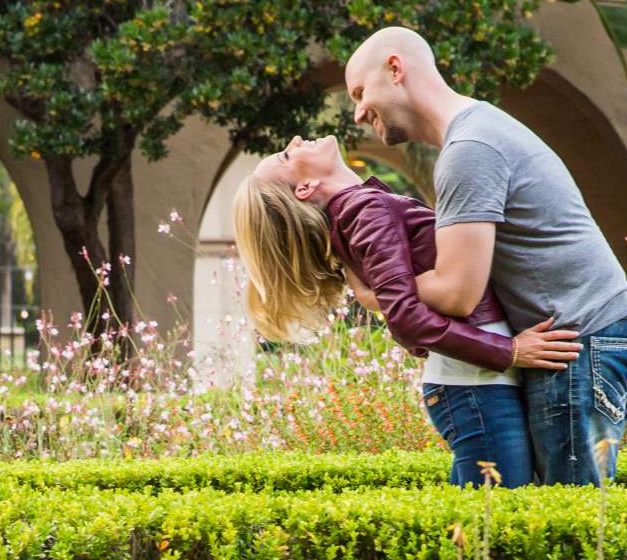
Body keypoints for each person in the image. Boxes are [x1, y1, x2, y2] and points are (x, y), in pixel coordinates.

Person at [343, 26, 627, 486]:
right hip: (575, 338)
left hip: (578, 339)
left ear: (396, 69)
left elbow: (458, 293)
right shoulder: (475, 133)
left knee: (571, 528)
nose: (359, 113)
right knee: (556, 517)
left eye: (361, 92)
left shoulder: (470, 150)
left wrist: (375, 292)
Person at [231, 134, 581, 487]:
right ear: (305, 187)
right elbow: (406, 320)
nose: (295, 140)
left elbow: (397, 303)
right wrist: (509, 351)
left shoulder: (358, 209)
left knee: (487, 523)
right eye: (287, 155)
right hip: (475, 387)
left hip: (473, 386)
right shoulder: (364, 209)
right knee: (495, 524)